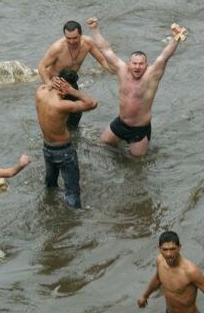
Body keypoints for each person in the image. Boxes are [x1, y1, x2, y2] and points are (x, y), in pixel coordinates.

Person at [87, 17, 186, 157]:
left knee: (136, 164)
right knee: (102, 146)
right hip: (120, 123)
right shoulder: (122, 70)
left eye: (141, 64)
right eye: (135, 63)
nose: (137, 67)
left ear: (146, 65)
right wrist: (94, 29)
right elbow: (105, 50)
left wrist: (176, 38)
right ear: (129, 64)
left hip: (139, 130)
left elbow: (163, 57)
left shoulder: (151, 76)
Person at [34, 70, 97, 208]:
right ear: (66, 88)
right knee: (72, 192)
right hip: (64, 152)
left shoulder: (40, 92)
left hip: (47, 148)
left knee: (50, 184)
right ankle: (74, 220)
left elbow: (45, 75)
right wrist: (73, 92)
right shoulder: (62, 105)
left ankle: (49, 204)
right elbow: (92, 103)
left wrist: (52, 82)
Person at [38, 20, 113, 129]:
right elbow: (41, 66)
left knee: (75, 118)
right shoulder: (58, 47)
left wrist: (115, 71)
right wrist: (49, 83)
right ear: (64, 36)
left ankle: (74, 139)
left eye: (75, 38)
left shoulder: (88, 43)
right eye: (68, 38)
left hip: (71, 83)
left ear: (81, 34)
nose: (72, 41)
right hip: (56, 85)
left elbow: (102, 60)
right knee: (57, 122)